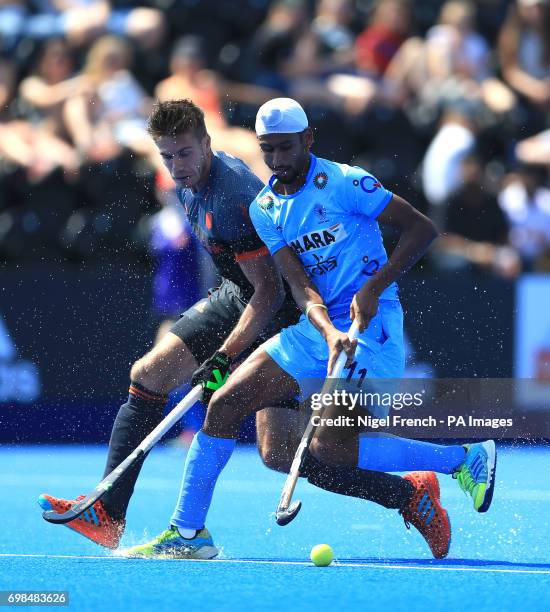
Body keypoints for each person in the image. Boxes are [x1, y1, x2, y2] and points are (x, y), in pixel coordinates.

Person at [39, 99, 437, 554]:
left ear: (207, 144)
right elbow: (245, 284)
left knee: (284, 455)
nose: (176, 165)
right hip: (237, 295)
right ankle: (111, 513)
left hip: (276, 310)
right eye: (166, 156)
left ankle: (408, 493)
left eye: (185, 153)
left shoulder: (235, 199)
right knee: (146, 377)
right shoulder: (186, 184)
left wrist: (227, 355)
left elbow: (270, 292)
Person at [123, 98, 497, 561]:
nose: (277, 161)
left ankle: (464, 459)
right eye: (268, 151)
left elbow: (421, 230)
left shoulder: (346, 183)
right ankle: (188, 533)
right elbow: (298, 288)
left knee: (332, 447)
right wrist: (323, 326)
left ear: (308, 139)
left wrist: (373, 289)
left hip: (373, 328)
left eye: (286, 148)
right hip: (315, 328)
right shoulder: (265, 209)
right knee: (224, 404)